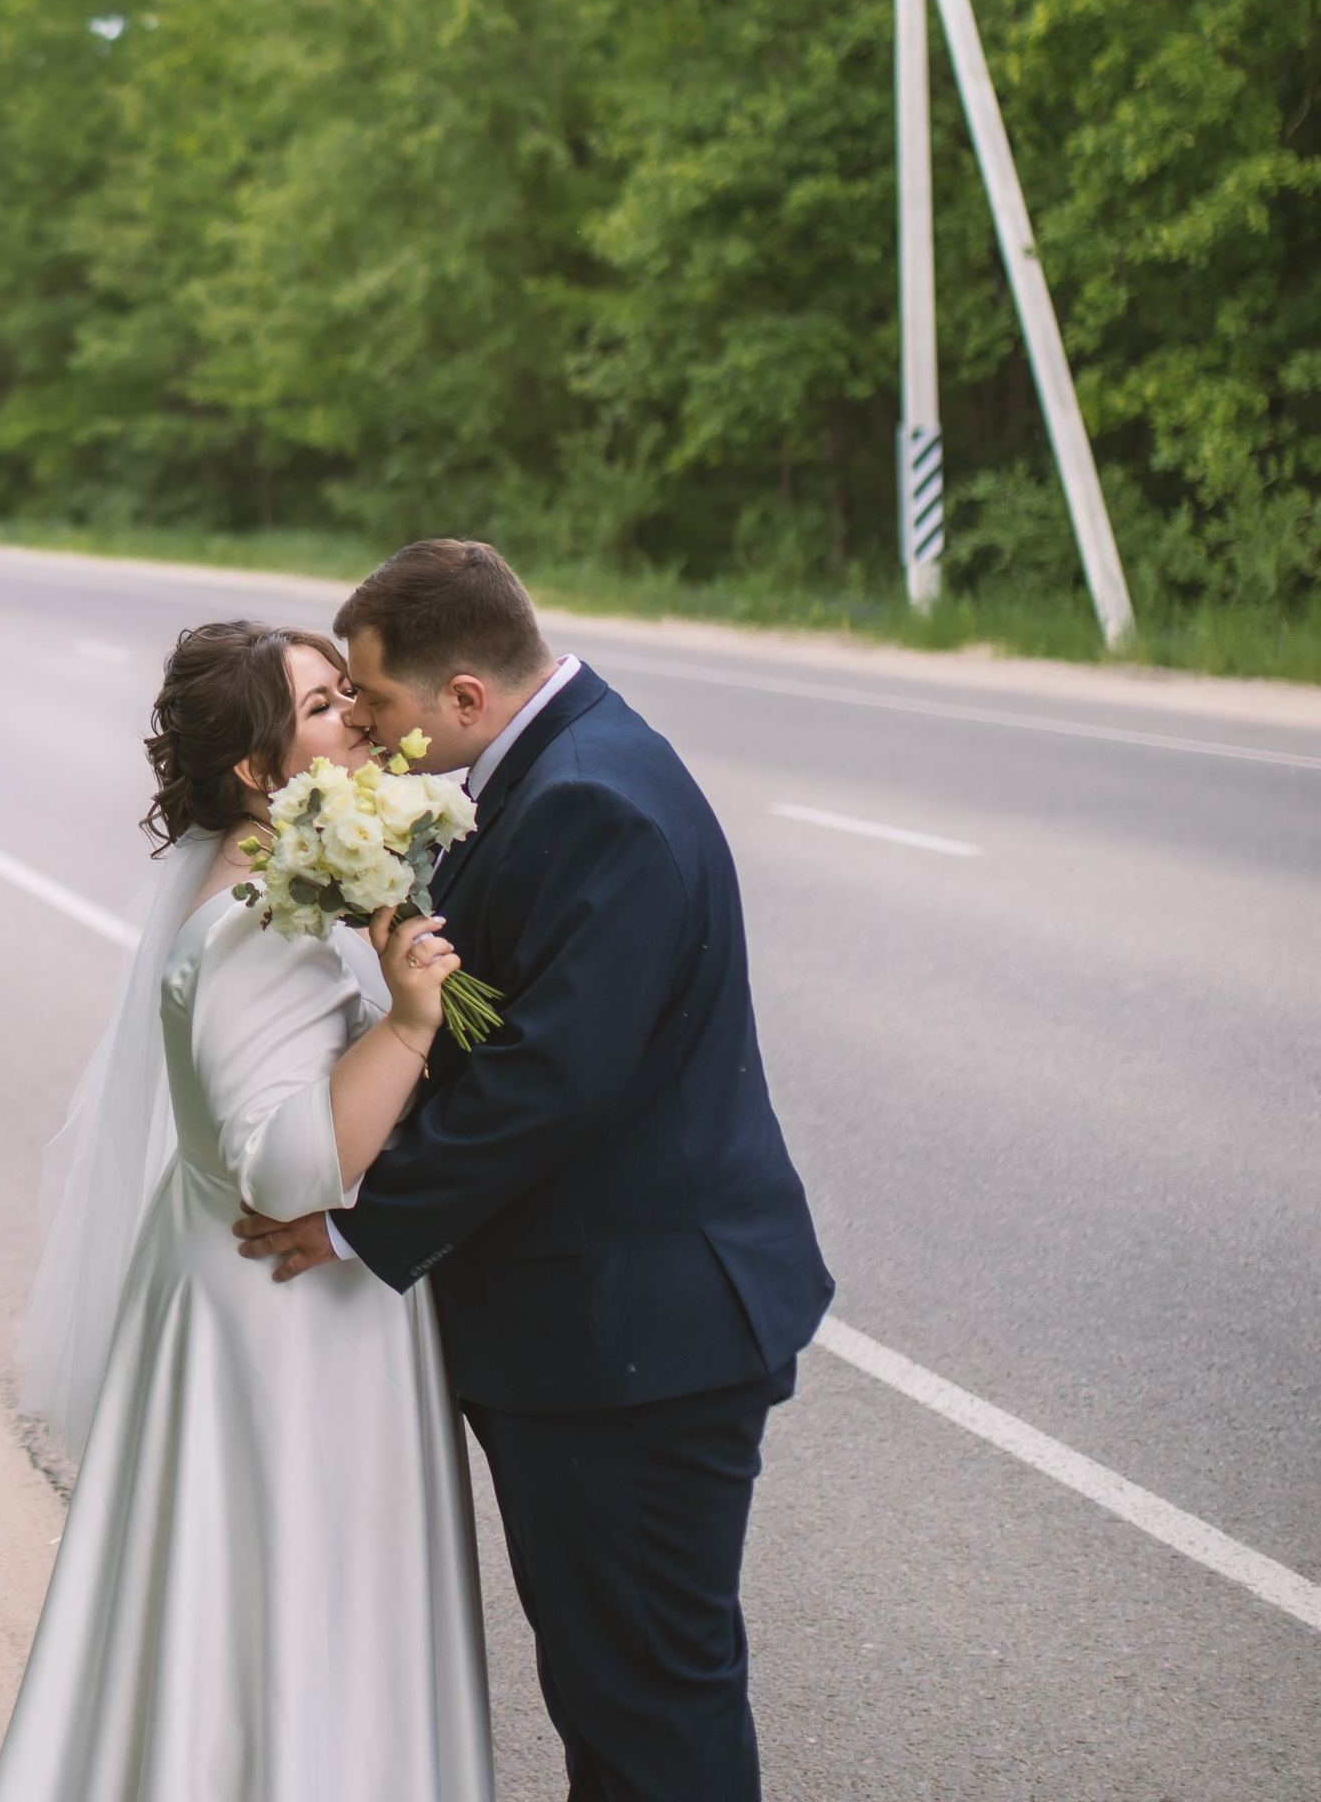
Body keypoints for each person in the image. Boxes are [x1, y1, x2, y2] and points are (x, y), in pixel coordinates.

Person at [237, 538, 835, 1802]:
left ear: (464, 695)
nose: (367, 729)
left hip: (633, 1344)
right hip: (606, 1335)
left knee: (646, 1709)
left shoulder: (589, 800)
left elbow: (549, 1078)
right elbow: (503, 1024)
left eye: (379, 701)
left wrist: (357, 1224)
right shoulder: (551, 768)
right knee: (623, 1690)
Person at [0, 620, 495, 1802]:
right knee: (292, 1601)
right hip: (285, 1318)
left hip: (244, 1308)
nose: (359, 722)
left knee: (243, 1611)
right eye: (324, 708)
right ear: (260, 775)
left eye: (344, 697)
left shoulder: (264, 891)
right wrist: (413, 1023)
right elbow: (284, 1168)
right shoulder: (256, 922)